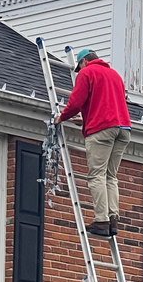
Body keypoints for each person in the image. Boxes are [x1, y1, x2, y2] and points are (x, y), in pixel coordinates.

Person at [55, 48, 131, 237]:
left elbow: (76, 102)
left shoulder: (87, 72)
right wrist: (87, 119)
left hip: (102, 130)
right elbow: (108, 105)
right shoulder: (115, 75)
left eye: (79, 68)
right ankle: (113, 219)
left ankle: (101, 221)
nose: (79, 71)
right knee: (111, 176)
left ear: (83, 62)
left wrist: (61, 117)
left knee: (97, 175)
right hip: (123, 129)